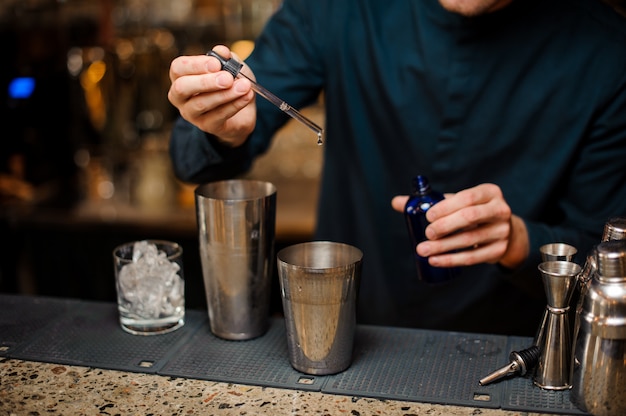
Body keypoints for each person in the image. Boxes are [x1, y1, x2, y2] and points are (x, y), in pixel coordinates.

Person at [167, 0, 626, 336]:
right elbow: (192, 154)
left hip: (513, 350)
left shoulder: (606, 53)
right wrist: (222, 124)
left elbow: (605, 261)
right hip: (344, 333)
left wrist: (519, 241)